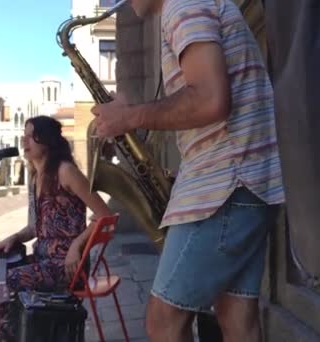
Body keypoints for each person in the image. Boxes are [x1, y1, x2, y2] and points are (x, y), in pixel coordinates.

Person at [90, 0, 285, 341]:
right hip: (247, 184)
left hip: (226, 185)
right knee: (237, 319)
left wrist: (131, 116)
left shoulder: (184, 5)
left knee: (163, 321)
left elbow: (210, 100)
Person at [0, 116, 112, 342]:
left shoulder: (65, 171)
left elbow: (105, 215)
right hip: (40, 261)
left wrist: (77, 245)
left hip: (64, 268)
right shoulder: (36, 178)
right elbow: (35, 227)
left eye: (30, 136)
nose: (24, 141)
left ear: (46, 140)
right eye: (23, 136)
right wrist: (13, 238)